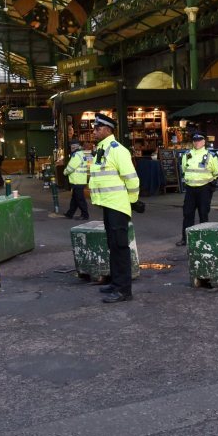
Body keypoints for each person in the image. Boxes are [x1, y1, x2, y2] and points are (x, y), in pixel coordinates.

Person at [88, 113, 141, 303]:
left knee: (120, 246)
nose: (94, 131)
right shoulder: (102, 149)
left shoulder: (117, 150)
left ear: (107, 130)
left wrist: (133, 201)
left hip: (117, 205)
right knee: (113, 245)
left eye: (97, 128)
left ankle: (123, 290)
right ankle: (116, 282)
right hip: (109, 204)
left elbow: (132, 178)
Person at [176, 133, 218, 246]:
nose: (197, 142)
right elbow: (184, 169)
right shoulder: (187, 154)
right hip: (190, 189)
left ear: (204, 142)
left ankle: (204, 239)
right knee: (187, 214)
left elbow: (216, 172)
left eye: (199, 140)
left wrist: (210, 183)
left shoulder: (211, 155)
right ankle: (186, 239)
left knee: (203, 214)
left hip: (204, 188)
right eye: (195, 140)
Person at [63, 140, 90, 220]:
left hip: (77, 181)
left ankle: (85, 215)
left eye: (72, 146)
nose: (71, 148)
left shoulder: (76, 155)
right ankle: (70, 213)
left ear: (75, 146)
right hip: (80, 180)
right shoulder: (81, 154)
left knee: (80, 199)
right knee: (75, 199)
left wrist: (65, 172)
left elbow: (71, 167)